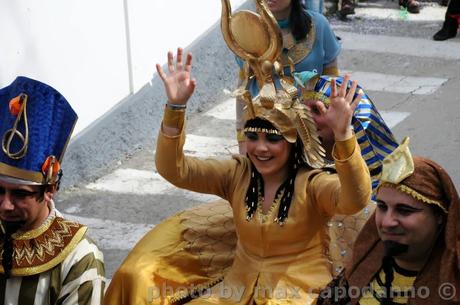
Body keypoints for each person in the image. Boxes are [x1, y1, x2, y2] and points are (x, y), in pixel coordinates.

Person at [105, 1, 371, 303]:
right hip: (234, 295)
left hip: (297, 296)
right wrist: (175, 108)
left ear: (292, 142)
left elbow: (355, 199)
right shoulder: (237, 174)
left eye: (272, 140)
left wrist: (343, 134)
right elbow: (173, 170)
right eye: (252, 137)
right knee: (139, 273)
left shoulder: (311, 183)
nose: (259, 148)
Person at [0, 76, 106, 304]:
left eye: (20, 194)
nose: (5, 205)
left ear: (50, 189)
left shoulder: (80, 260)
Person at [316, 137, 460, 305]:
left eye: (404, 211)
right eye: (383, 207)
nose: (387, 222)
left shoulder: (453, 282)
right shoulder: (363, 264)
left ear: (440, 217)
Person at [235, 0, 341, 154]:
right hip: (265, 136)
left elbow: (333, 86)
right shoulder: (247, 32)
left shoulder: (319, 25)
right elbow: (243, 90)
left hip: (310, 134)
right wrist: (242, 140)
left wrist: (334, 132)